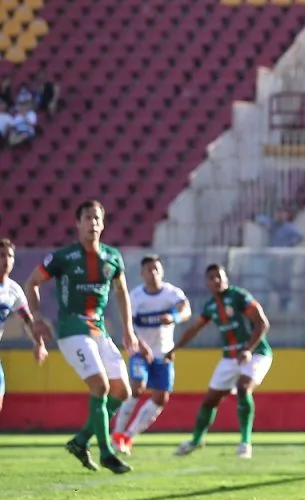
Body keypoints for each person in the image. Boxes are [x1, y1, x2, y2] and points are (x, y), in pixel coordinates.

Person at [23, 200, 139, 474]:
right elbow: (32, 283)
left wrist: (129, 330)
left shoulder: (112, 257)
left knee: (123, 391)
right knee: (100, 386)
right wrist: (38, 318)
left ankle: (80, 440)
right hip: (72, 330)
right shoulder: (63, 257)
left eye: (98, 219)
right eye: (88, 218)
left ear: (103, 223)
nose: (93, 224)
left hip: (99, 330)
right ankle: (107, 452)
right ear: (78, 223)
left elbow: (122, 293)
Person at [168, 265, 271, 459]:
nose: (216, 280)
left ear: (226, 278)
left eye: (219, 277)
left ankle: (245, 443)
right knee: (210, 400)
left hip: (256, 353)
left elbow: (262, 323)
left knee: (243, 387)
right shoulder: (210, 306)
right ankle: (196, 440)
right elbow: (195, 328)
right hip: (230, 357)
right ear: (206, 282)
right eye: (211, 277)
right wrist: (175, 348)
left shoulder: (239, 297)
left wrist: (248, 349)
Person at [110, 255, 191, 455]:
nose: (153, 272)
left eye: (156, 268)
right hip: (140, 350)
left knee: (161, 398)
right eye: (149, 269)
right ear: (142, 273)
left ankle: (129, 436)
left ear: (161, 271)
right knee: (137, 388)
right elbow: (128, 324)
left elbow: (186, 309)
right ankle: (117, 434)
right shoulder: (136, 297)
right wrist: (140, 343)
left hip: (163, 353)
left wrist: (174, 317)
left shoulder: (171, 293)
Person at [0, 239, 47, 417]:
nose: (6, 260)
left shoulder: (13, 290)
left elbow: (28, 320)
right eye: (1, 255)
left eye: (10, 256)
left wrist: (39, 344)